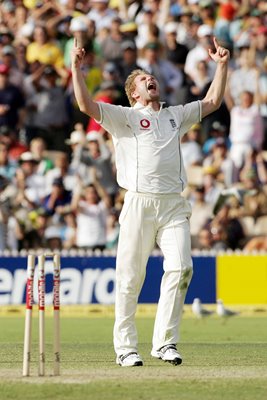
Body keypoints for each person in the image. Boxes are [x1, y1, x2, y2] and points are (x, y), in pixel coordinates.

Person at [71, 36, 229, 367]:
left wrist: (222, 65)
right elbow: (86, 106)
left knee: (182, 267)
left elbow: (213, 100)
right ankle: (126, 349)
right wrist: (76, 68)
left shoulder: (176, 115)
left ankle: (164, 344)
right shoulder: (123, 117)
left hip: (173, 204)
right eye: (143, 79)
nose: (150, 79)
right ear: (134, 93)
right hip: (139, 202)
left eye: (150, 76)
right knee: (130, 278)